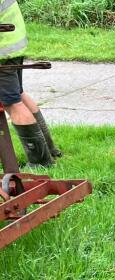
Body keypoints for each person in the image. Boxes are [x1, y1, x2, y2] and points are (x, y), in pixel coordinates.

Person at [0, 0, 59, 168]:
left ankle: (41, 162)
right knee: (19, 95)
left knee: (12, 104)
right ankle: (49, 149)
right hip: (11, 47)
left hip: (2, 52)